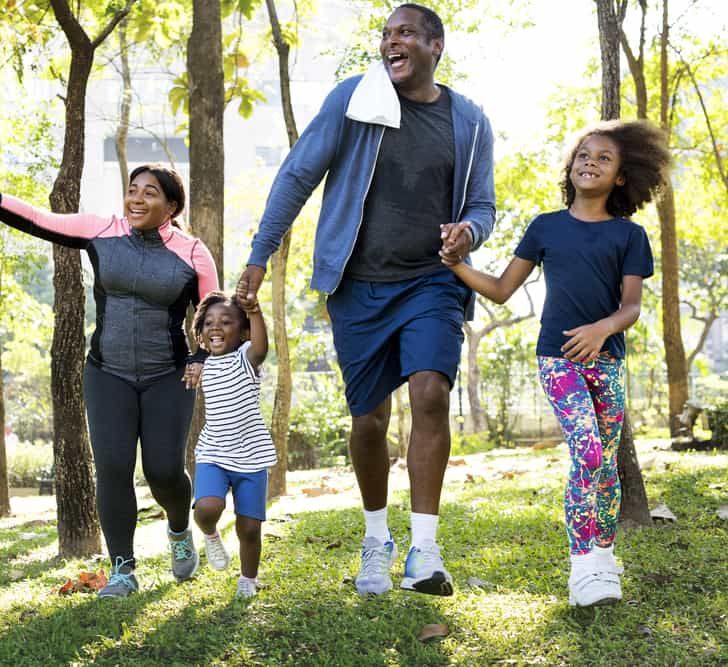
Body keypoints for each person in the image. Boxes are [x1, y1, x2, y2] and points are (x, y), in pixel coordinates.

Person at [236, 3, 495, 596]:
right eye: (385, 35)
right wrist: (259, 255)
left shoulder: (471, 121)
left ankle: (425, 552)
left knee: (431, 395)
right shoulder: (355, 99)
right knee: (369, 421)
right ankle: (377, 538)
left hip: (433, 280)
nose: (390, 43)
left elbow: (482, 205)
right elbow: (298, 175)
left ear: (436, 45)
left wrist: (469, 233)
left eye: (404, 33)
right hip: (357, 287)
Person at [0, 164, 219, 599]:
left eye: (149, 193)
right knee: (114, 469)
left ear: (171, 207)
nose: (136, 199)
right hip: (107, 373)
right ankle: (123, 570)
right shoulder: (103, 230)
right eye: (132, 190)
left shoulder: (193, 254)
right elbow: (39, 220)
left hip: (167, 376)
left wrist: (199, 358)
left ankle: (178, 529)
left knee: (163, 471)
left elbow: (213, 317)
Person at [440, 119, 670, 606]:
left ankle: (604, 556)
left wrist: (602, 329)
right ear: (572, 166)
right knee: (587, 452)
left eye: (604, 158)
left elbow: (631, 305)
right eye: (584, 154)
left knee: (605, 466)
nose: (591, 161)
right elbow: (502, 290)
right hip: (557, 358)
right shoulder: (546, 227)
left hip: (606, 359)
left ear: (622, 177)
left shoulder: (630, 236)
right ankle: (582, 566)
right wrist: (458, 265)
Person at [189, 290, 276, 599]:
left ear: (242, 332)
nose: (216, 327)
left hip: (251, 455)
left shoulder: (247, 358)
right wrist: (194, 365)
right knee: (207, 508)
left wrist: (254, 310)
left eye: (226, 322)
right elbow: (192, 364)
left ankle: (248, 579)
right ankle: (210, 535)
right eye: (210, 322)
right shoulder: (203, 364)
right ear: (201, 331)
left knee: (250, 528)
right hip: (213, 452)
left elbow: (262, 346)